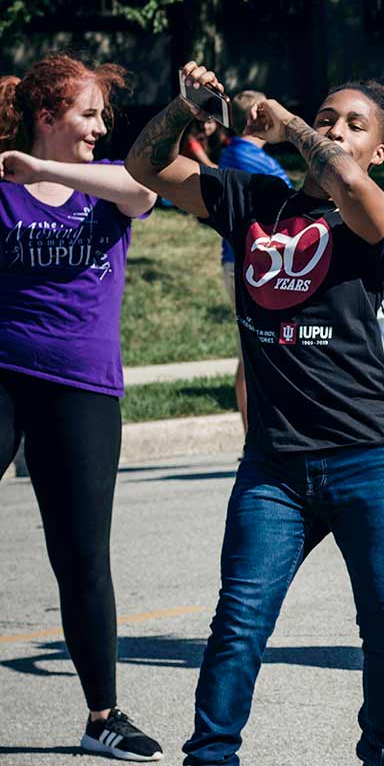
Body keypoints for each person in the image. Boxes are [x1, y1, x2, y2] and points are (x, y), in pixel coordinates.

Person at [126, 63, 384, 766]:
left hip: (365, 456)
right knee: (239, 623)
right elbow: (144, 166)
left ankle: (383, 755)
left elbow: (348, 183)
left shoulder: (380, 218)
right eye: (328, 116)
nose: (335, 129)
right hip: (274, 466)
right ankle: (211, 756)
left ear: (379, 151)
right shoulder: (251, 198)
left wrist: (286, 121)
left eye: (355, 125)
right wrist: (191, 106)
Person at [0, 53, 163, 763]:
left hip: (83, 386)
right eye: (88, 114)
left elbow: (140, 190)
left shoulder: (106, 187)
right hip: (5, 373)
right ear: (46, 117)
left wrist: (42, 172)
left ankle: (103, 717)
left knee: (81, 557)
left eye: (102, 116)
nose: (100, 128)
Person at [216, 89, 292, 434]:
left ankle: (258, 435)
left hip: (253, 266)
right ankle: (257, 437)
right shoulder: (245, 158)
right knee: (258, 352)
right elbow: (287, 208)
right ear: (259, 116)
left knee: (256, 352)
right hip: (254, 268)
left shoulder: (239, 154)